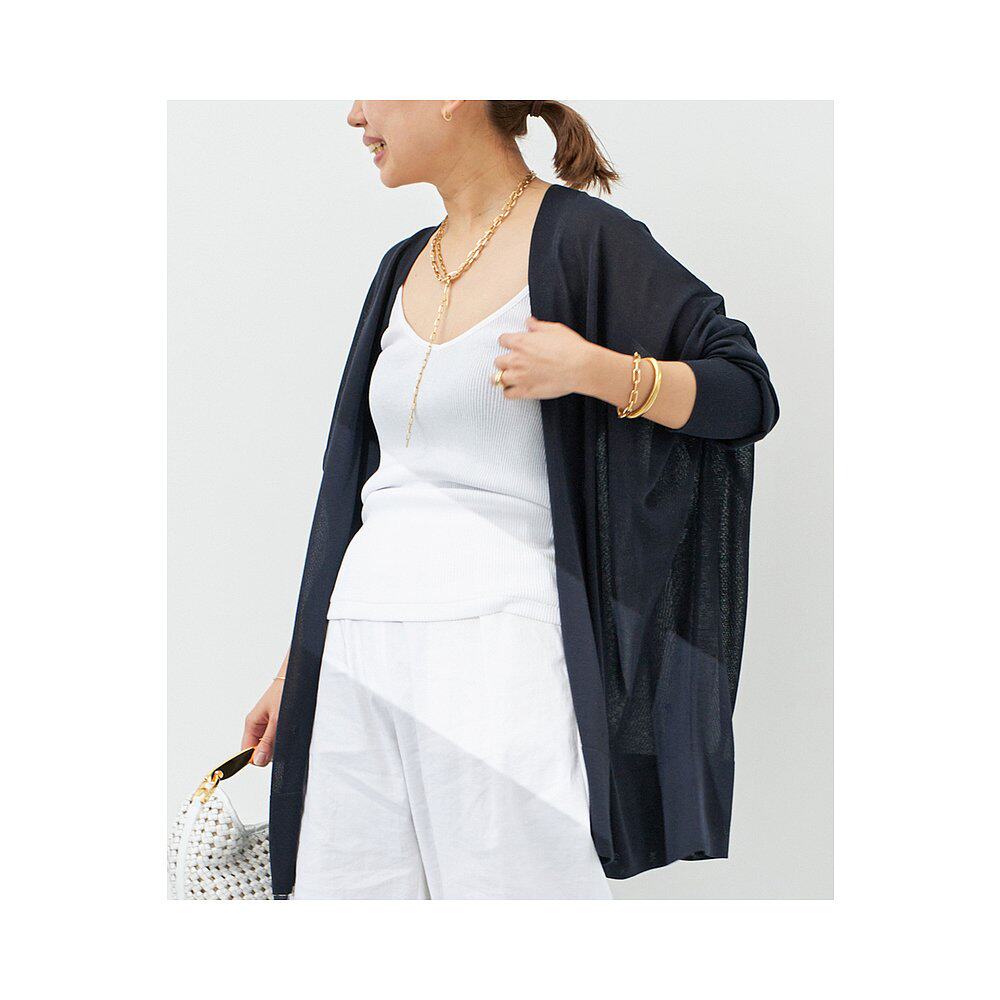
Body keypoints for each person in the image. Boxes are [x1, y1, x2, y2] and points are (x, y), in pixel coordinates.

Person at [244, 100, 780, 899]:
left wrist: (595, 370)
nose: (355, 113)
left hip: (496, 649)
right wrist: (299, 664)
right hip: (358, 644)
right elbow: (367, 490)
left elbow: (745, 393)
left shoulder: (584, 242)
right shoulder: (401, 266)